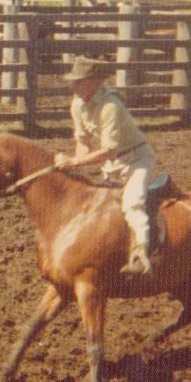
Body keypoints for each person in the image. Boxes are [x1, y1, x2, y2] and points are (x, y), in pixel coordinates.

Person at [54, 56, 157, 275]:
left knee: (133, 203)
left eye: (79, 81)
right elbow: (83, 142)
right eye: (73, 81)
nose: (74, 86)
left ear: (95, 82)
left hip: (137, 159)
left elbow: (109, 150)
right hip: (112, 165)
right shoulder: (77, 105)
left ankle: (141, 254)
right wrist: (73, 165)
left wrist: (75, 161)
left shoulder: (111, 106)